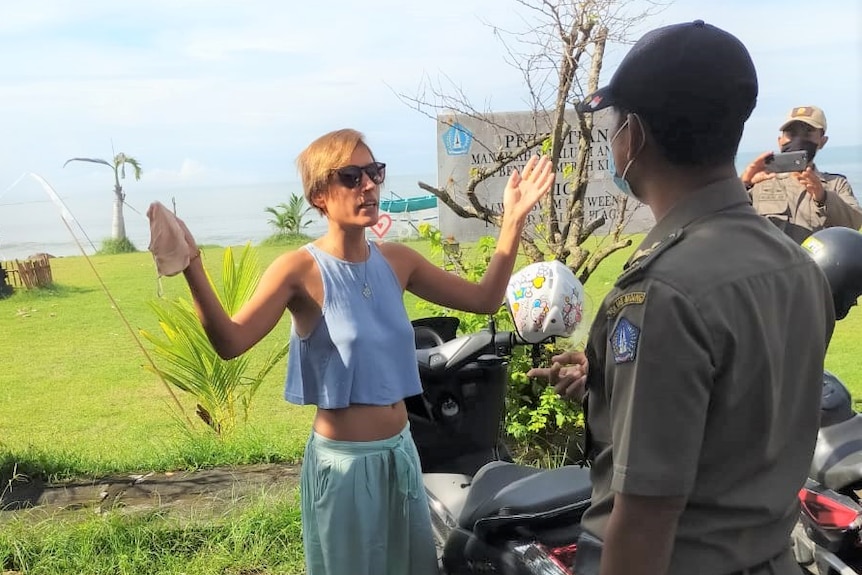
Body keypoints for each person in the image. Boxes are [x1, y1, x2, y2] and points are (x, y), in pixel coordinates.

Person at [153, 128, 554, 575]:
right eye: (351, 176)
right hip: (343, 469)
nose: (368, 185)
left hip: (401, 455)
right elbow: (230, 341)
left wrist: (513, 220)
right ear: (319, 194)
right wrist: (193, 267)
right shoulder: (298, 270)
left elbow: (483, 299)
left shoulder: (399, 262)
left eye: (374, 172)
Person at [529, 20, 835, 575]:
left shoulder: (662, 293)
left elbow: (645, 518)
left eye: (615, 122)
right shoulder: (796, 266)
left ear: (636, 135)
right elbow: (735, 410)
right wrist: (604, 380)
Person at [741, 105, 862, 243]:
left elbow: (856, 225)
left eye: (808, 133)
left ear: (822, 141)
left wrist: (823, 197)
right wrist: (743, 184)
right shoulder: (759, 182)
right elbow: (725, 219)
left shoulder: (836, 184)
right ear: (780, 141)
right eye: (791, 134)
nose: (798, 140)